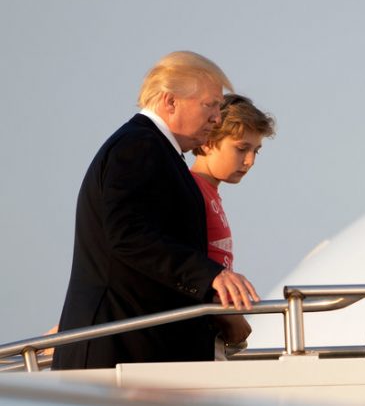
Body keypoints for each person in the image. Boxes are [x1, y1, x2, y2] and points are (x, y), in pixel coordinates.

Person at [52, 51, 259, 369]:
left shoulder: (154, 149)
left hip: (137, 354)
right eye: (210, 105)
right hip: (121, 356)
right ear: (170, 101)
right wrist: (210, 276)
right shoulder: (140, 146)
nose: (217, 118)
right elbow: (127, 234)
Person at [189, 94, 275, 359]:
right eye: (241, 149)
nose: (250, 161)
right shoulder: (189, 190)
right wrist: (228, 318)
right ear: (208, 141)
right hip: (199, 333)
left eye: (255, 151)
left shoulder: (210, 193)